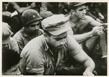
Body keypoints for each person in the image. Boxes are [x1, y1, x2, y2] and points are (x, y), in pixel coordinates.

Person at [19, 14, 95, 75]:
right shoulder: (35, 52)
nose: (63, 42)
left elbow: (87, 60)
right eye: (57, 39)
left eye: (64, 37)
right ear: (46, 35)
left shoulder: (67, 39)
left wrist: (88, 70)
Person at [68, 2, 107, 75]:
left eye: (85, 9)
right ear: (73, 12)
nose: (84, 12)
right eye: (81, 10)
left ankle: (105, 57)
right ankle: (78, 66)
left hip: (83, 45)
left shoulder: (86, 18)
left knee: (100, 31)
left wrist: (105, 26)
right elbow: (70, 40)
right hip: (68, 49)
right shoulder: (66, 22)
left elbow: (101, 25)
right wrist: (91, 33)